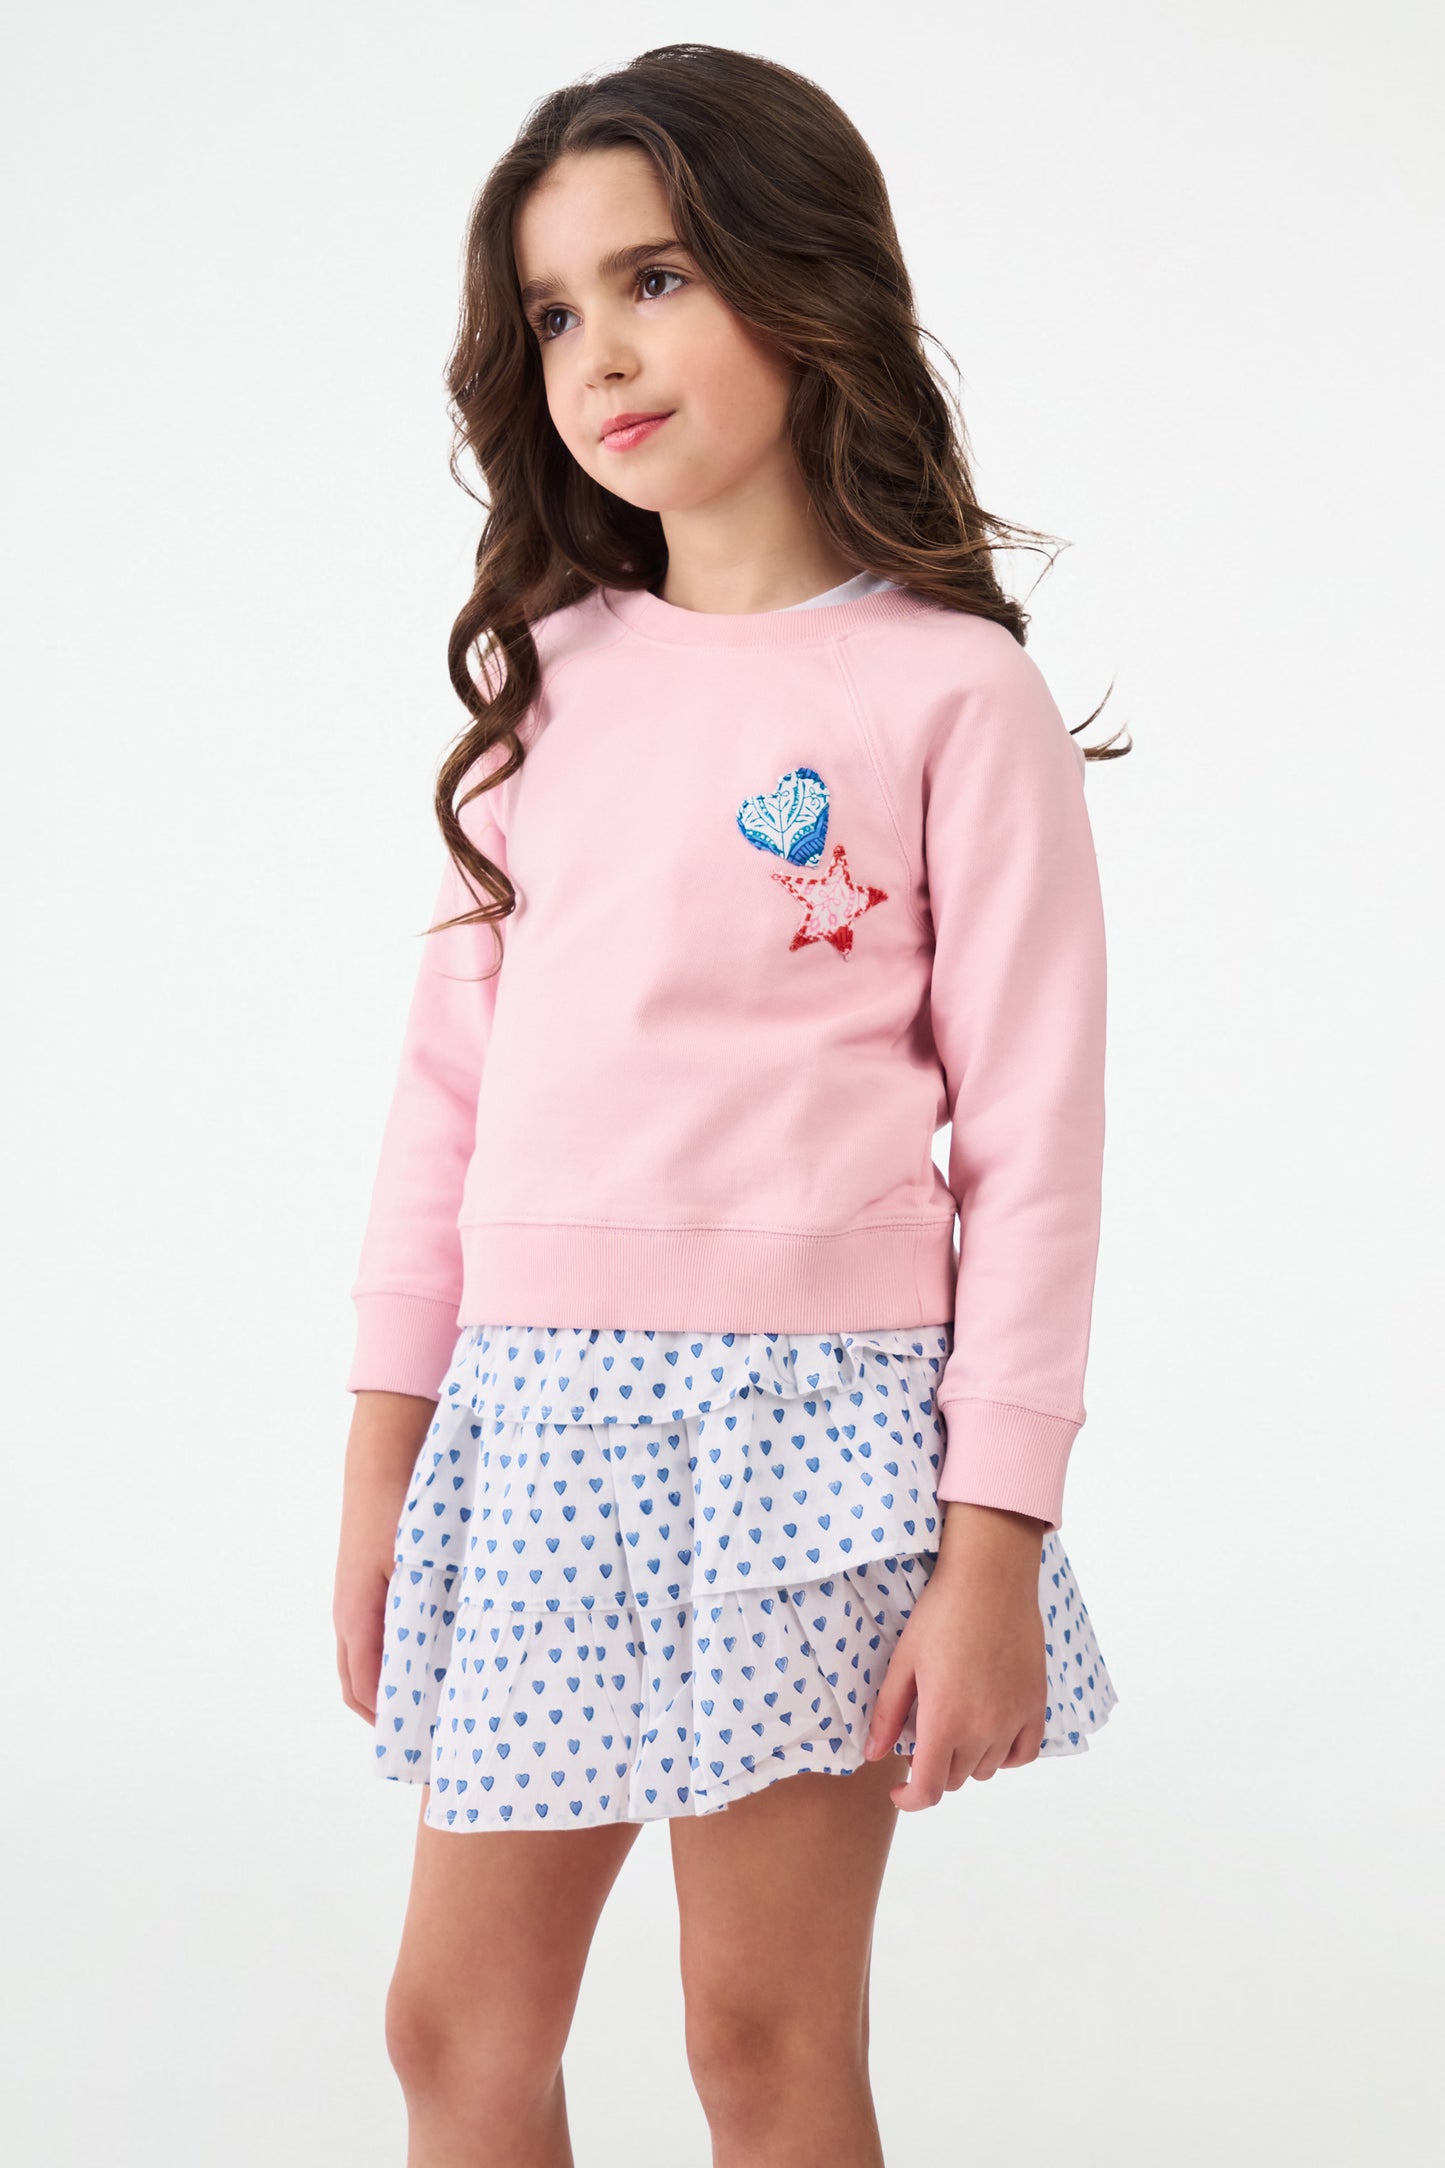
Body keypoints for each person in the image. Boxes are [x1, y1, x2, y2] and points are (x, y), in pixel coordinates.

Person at [333, 40, 1128, 2167]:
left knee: (761, 2041)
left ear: (806, 278)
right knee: (451, 2028)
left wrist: (993, 1543)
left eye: (655, 278)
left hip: (813, 1443)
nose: (596, 352)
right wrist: (382, 1465)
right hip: (534, 1425)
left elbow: (1035, 1155)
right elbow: (443, 1100)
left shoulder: (953, 694)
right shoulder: (547, 684)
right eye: (553, 312)